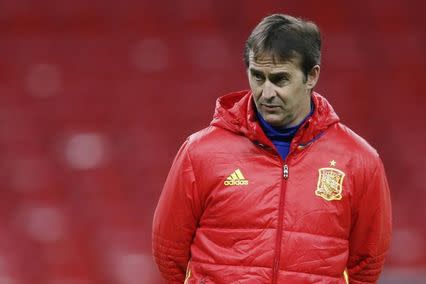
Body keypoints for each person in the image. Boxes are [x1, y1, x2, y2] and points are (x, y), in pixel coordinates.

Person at [152, 14, 392, 284]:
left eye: (280, 80)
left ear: (312, 76)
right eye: (257, 76)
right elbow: (168, 251)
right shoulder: (199, 152)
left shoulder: (359, 160)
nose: (266, 93)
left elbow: (367, 263)